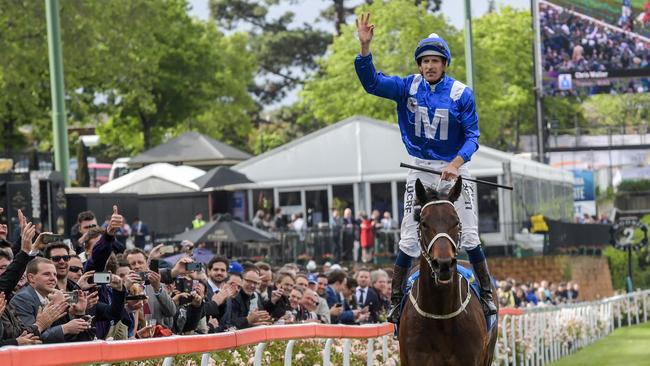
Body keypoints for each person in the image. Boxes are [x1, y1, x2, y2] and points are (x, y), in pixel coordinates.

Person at [354, 13, 497, 322]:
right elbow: (371, 82)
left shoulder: (462, 94)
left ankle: (486, 294)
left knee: (470, 236)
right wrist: (365, 49)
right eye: (424, 61)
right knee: (408, 237)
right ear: (419, 65)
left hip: (454, 170)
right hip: (419, 169)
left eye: (435, 60)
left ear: (445, 64)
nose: (429, 66)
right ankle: (394, 301)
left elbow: (473, 137)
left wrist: (456, 164)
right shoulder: (406, 87)